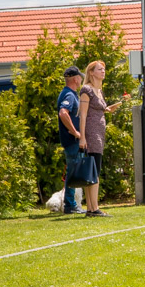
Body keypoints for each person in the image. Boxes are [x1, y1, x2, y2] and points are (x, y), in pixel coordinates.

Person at [79, 60, 122, 217]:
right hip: (91, 133)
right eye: (100, 69)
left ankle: (91, 209)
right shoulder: (87, 90)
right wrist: (82, 137)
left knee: (93, 170)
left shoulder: (99, 90)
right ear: (91, 72)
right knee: (94, 170)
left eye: (104, 69)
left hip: (99, 133)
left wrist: (108, 109)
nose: (103, 71)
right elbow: (83, 115)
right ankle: (94, 208)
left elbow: (99, 109)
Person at [57, 66, 86, 215]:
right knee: (73, 172)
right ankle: (70, 205)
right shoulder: (69, 94)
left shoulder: (69, 93)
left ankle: (71, 204)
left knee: (73, 171)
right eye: (80, 77)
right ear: (75, 79)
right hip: (72, 141)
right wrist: (75, 131)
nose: (81, 79)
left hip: (71, 141)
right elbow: (63, 113)